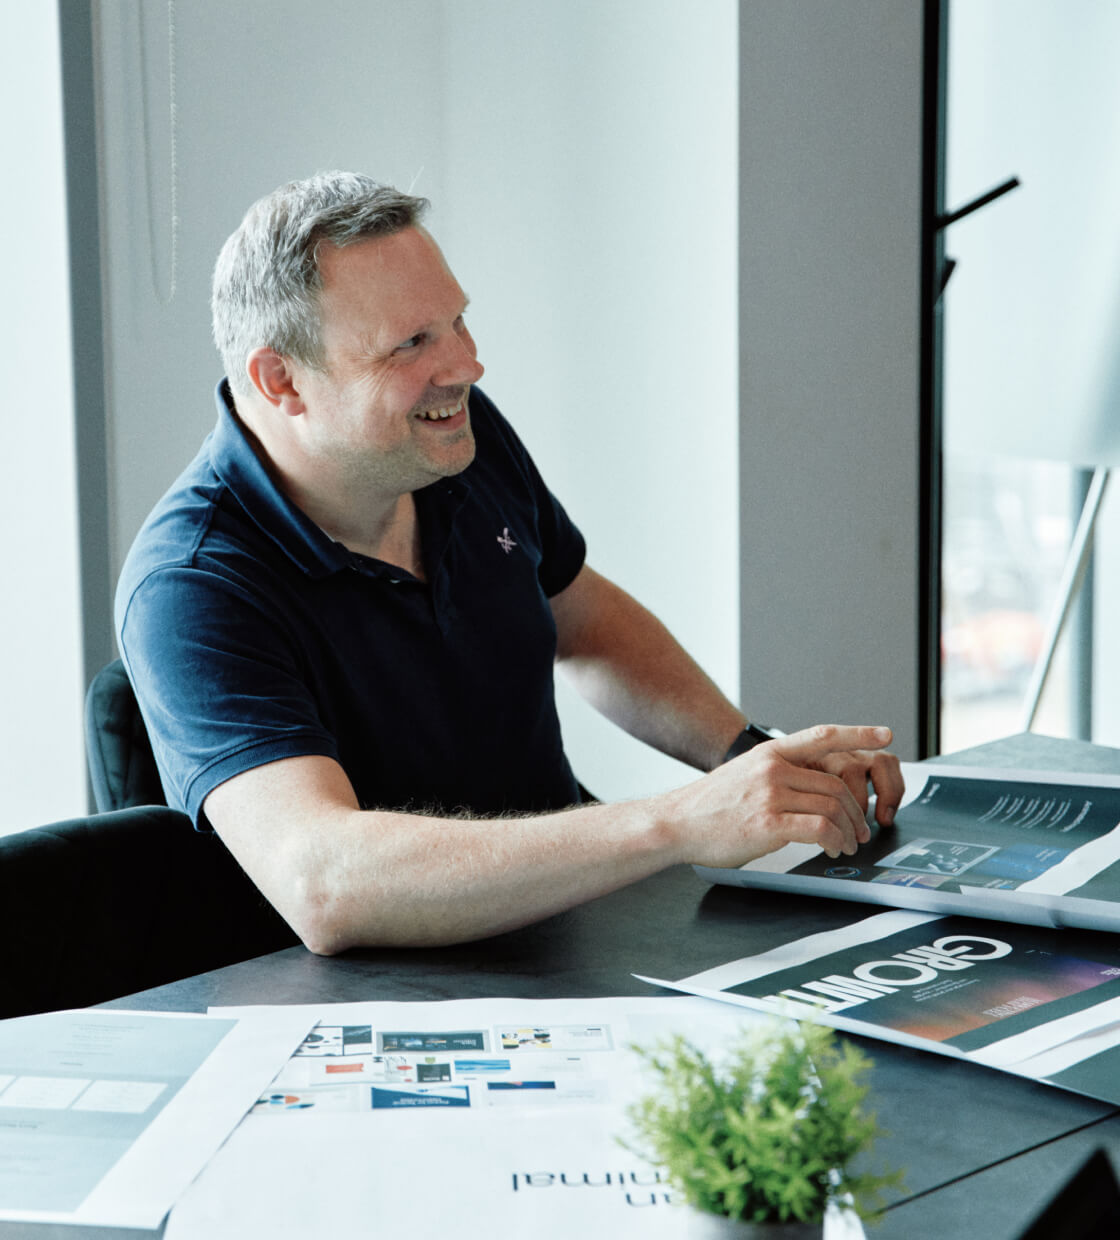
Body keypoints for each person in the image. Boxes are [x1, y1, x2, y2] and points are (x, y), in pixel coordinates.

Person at [116, 171, 904, 956]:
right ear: (280, 379)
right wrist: (680, 821)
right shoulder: (190, 584)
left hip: (568, 919)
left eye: (457, 322)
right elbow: (324, 882)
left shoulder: (451, 436)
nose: (466, 366)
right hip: (385, 992)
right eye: (412, 344)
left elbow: (584, 619)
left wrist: (751, 759)